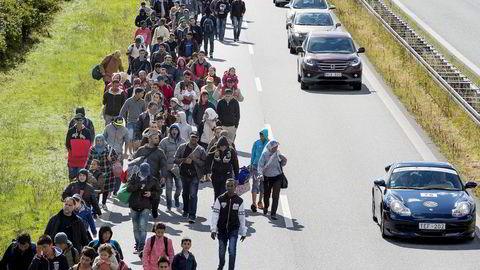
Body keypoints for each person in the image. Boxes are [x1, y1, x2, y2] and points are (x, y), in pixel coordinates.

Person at [211, 179, 247, 270]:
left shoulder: (239, 201)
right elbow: (215, 215)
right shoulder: (220, 199)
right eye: (228, 186)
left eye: (231, 186)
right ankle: (221, 264)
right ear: (225, 186)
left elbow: (242, 217)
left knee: (232, 251)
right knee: (221, 253)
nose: (230, 188)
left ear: (235, 187)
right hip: (222, 230)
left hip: (233, 230)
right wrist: (213, 229)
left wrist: (243, 232)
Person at [132, 130, 168, 219]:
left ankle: (154, 209)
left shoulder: (160, 152)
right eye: (155, 138)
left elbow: (164, 165)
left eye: (158, 138)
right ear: (149, 139)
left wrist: (163, 176)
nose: (158, 140)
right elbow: (134, 163)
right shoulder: (141, 150)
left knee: (156, 195)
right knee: (141, 195)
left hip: (154, 178)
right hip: (142, 178)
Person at [127, 163, 160, 255]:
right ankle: (137, 244)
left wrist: (151, 194)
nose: (146, 174)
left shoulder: (153, 180)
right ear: (140, 171)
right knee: (136, 227)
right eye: (144, 172)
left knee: (143, 226)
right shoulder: (133, 177)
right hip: (134, 205)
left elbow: (158, 192)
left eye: (147, 172)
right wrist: (138, 185)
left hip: (146, 206)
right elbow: (128, 188)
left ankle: (141, 246)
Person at [174, 131, 207, 223]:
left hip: (194, 175)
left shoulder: (201, 150)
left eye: (196, 137)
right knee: (185, 193)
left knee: (193, 195)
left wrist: (195, 160)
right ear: (189, 137)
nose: (194, 139)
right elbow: (175, 159)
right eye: (192, 137)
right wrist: (184, 160)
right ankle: (185, 210)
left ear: (198, 139)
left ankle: (192, 214)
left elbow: (205, 163)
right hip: (183, 174)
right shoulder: (182, 147)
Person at [85, 135, 119, 210]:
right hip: (95, 173)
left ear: (103, 141)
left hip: (107, 172)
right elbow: (89, 160)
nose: (99, 142)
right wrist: (85, 171)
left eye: (100, 140)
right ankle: (96, 205)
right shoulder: (92, 149)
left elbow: (116, 157)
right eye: (97, 141)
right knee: (96, 188)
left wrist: (110, 159)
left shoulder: (109, 149)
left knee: (105, 189)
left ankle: (103, 203)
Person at [257, 140, 287, 220]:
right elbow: (260, 166)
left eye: (277, 146)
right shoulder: (265, 155)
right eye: (274, 147)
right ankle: (266, 206)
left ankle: (273, 213)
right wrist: (260, 174)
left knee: (275, 196)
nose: (276, 148)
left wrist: (284, 159)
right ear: (270, 147)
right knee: (266, 195)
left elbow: (283, 163)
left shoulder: (278, 154)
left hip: (277, 177)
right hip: (267, 177)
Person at [159, 124, 185, 211]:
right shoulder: (164, 141)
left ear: (178, 131)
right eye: (172, 129)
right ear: (170, 131)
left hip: (178, 169)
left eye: (176, 130)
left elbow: (185, 154)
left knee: (179, 187)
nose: (174, 131)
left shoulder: (183, 141)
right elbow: (160, 155)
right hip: (168, 169)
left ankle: (176, 197)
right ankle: (169, 205)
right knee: (168, 188)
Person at [206, 136, 239, 201]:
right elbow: (208, 160)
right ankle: (217, 206)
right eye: (221, 146)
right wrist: (208, 172)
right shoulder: (214, 149)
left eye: (224, 146)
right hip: (215, 175)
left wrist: (237, 177)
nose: (223, 148)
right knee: (217, 192)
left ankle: (222, 206)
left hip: (227, 175)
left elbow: (235, 164)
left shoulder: (231, 151)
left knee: (223, 192)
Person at [66, 113, 93, 180]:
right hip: (72, 158)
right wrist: (73, 150)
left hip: (82, 159)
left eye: (80, 120)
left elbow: (89, 144)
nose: (79, 122)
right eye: (77, 120)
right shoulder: (70, 131)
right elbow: (67, 143)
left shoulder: (87, 131)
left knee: (81, 177)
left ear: (83, 121)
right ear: (75, 121)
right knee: (72, 176)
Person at [120, 87, 146, 155]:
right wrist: (121, 120)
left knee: (135, 139)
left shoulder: (143, 102)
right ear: (137, 93)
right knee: (130, 138)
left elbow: (144, 112)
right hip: (130, 122)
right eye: (142, 93)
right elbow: (122, 111)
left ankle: (134, 153)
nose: (143, 94)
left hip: (138, 123)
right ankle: (130, 152)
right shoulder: (129, 101)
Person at [249, 128, 269, 212]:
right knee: (255, 184)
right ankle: (253, 203)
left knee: (263, 185)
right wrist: (251, 164)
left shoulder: (269, 144)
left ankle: (260, 202)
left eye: (262, 134)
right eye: (260, 134)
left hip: (265, 167)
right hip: (256, 166)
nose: (261, 136)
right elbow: (253, 154)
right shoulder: (256, 143)